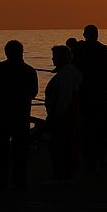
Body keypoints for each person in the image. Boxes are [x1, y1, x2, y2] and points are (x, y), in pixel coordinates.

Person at [0, 40, 38, 190]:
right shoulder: (30, 70)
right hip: (21, 117)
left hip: (1, 117)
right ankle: (19, 183)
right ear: (22, 52)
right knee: (20, 153)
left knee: (1, 154)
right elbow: (33, 92)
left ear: (6, 53)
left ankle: (2, 184)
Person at [73, 24, 107, 170]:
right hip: (101, 96)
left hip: (86, 97)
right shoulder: (105, 52)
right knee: (102, 129)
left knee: (87, 129)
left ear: (84, 34)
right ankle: (100, 157)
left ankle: (90, 158)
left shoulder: (78, 52)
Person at [45, 45, 83, 181]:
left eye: (55, 57)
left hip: (64, 118)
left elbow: (64, 98)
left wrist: (56, 116)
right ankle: (66, 174)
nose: (53, 59)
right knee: (67, 146)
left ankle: (61, 175)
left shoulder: (65, 74)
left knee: (59, 147)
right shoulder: (70, 72)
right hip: (69, 117)